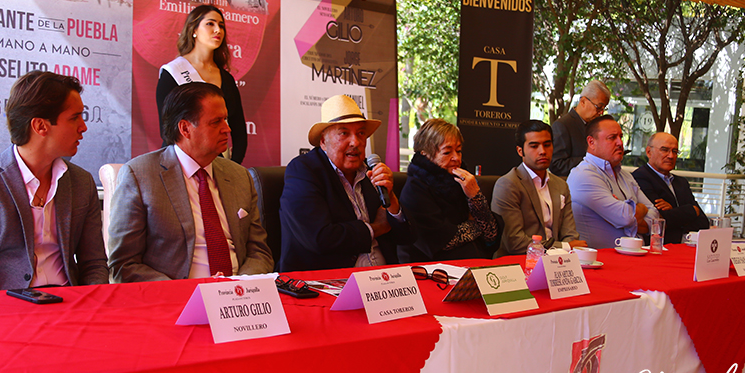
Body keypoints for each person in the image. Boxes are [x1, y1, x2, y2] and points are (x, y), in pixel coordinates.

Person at [0, 72, 108, 292]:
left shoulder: (82, 182)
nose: (83, 126)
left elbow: (94, 264)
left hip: (71, 306)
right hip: (7, 311)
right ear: (40, 126)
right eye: (74, 118)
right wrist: (10, 315)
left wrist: (92, 302)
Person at [107, 83, 272, 281]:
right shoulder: (140, 175)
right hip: (176, 298)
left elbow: (259, 251)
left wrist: (240, 286)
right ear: (185, 128)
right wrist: (181, 292)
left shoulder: (240, 176)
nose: (227, 129)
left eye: (226, 119)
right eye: (215, 122)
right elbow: (123, 264)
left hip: (238, 297)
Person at [279, 95, 410, 272]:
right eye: (344, 133)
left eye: (361, 133)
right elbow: (321, 239)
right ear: (324, 142)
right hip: (330, 281)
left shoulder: (371, 171)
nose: (355, 142)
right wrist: (376, 228)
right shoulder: (303, 170)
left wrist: (391, 198)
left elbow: (407, 237)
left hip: (385, 278)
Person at [156, 5, 247, 163]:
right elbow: (167, 131)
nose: (218, 30)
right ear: (194, 30)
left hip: (219, 166)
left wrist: (232, 167)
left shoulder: (226, 79)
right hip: (180, 164)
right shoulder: (172, 73)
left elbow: (239, 131)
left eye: (221, 25)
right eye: (210, 24)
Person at [399, 119, 497, 262]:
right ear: (425, 154)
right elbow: (444, 241)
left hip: (474, 261)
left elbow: (491, 233)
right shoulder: (415, 190)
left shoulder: (463, 181)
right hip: (431, 269)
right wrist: (475, 225)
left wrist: (475, 197)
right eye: (446, 152)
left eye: (458, 151)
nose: (456, 158)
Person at [492, 120, 585, 256]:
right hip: (519, 261)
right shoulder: (508, 184)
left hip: (558, 261)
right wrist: (565, 247)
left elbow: (570, 234)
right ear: (520, 151)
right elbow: (514, 243)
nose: (542, 151)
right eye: (534, 146)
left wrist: (566, 248)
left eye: (547, 145)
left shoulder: (561, 185)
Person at [568, 115, 658, 249]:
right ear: (591, 142)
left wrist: (628, 215)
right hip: (599, 262)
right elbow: (625, 217)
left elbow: (655, 216)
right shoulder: (583, 175)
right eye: (612, 138)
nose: (620, 143)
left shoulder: (625, 176)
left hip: (633, 258)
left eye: (621, 137)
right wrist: (639, 209)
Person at [632, 132, 710, 244]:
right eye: (664, 150)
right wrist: (692, 210)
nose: (671, 156)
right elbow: (659, 220)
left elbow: (703, 222)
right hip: (659, 247)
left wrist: (673, 211)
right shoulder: (640, 177)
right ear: (649, 152)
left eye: (675, 151)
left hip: (687, 246)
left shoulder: (681, 182)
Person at [550, 80, 611, 178]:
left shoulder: (596, 125)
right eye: (598, 107)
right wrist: (592, 160)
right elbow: (557, 165)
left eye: (604, 108)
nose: (601, 113)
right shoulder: (563, 125)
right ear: (583, 101)